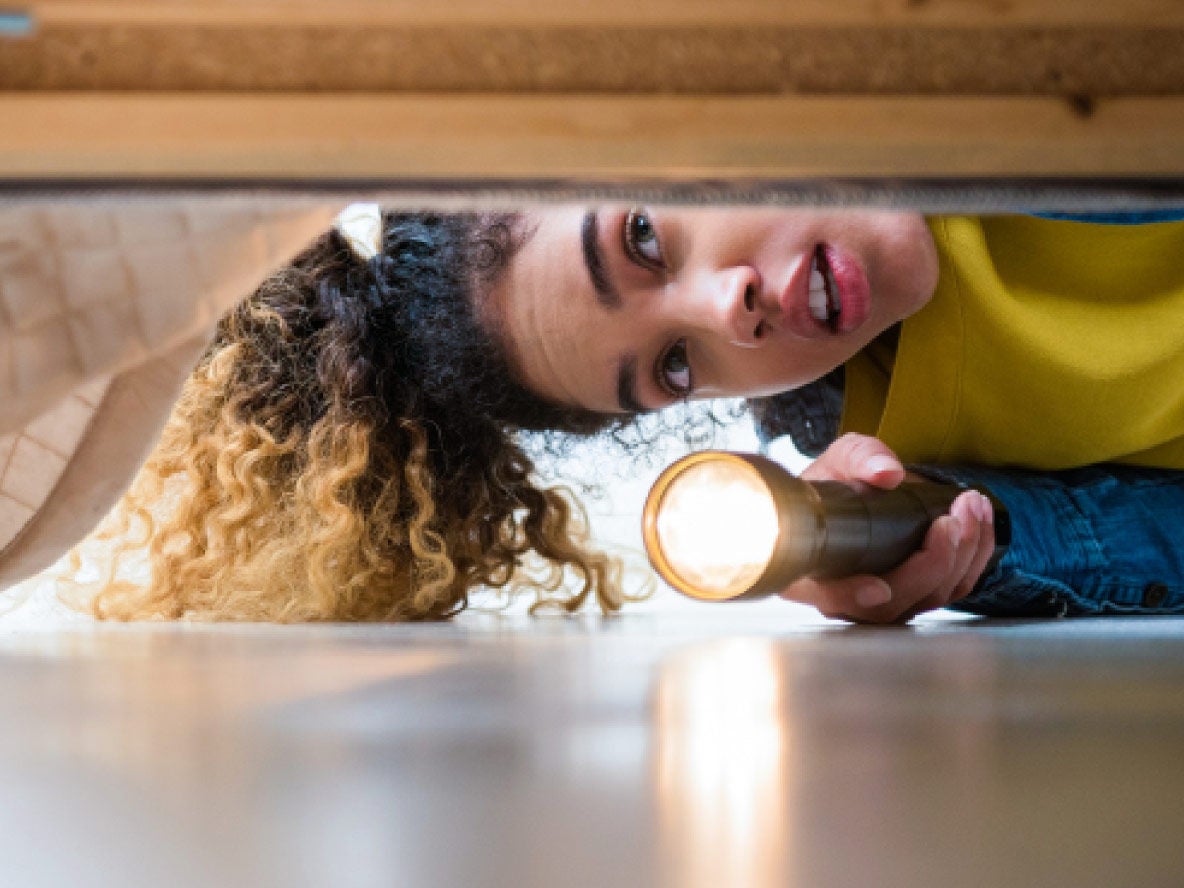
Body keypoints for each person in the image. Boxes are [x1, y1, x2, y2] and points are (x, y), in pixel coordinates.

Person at [12, 203, 1184, 624]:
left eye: (641, 238)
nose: (730, 314)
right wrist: (981, 550)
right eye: (672, 368)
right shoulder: (901, 467)